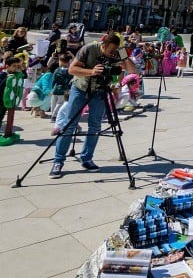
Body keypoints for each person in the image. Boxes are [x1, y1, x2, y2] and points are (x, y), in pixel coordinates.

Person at [49, 32, 136, 178]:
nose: (112, 54)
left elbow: (132, 71)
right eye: (111, 51)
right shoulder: (89, 49)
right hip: (80, 88)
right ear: (103, 46)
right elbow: (72, 69)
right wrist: (92, 71)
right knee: (69, 124)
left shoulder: (118, 52)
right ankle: (58, 161)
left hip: (100, 91)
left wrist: (123, 54)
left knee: (95, 126)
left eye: (115, 50)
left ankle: (87, 158)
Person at [50, 52, 73, 121]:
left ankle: (52, 114)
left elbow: (53, 80)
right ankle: (54, 116)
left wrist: (52, 87)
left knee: (53, 103)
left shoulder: (57, 70)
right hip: (64, 90)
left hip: (55, 89)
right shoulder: (69, 71)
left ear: (61, 62)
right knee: (59, 104)